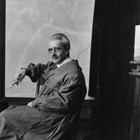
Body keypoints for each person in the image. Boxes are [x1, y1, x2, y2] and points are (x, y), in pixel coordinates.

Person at [0, 33, 87, 140]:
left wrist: (35, 103)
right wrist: (25, 71)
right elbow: (42, 68)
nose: (52, 54)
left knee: (6, 117)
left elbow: (63, 102)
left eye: (57, 49)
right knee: (6, 115)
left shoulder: (73, 74)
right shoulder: (56, 66)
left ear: (67, 50)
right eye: (50, 50)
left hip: (56, 120)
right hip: (44, 110)